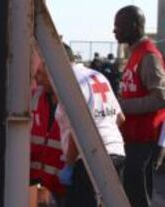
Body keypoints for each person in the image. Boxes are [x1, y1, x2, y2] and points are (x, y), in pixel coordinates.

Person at [56, 44, 126, 207]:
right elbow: (120, 117)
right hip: (116, 152)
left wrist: (70, 164)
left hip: (89, 159)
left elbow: (77, 129)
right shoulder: (97, 76)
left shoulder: (69, 81)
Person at [114, 5, 165, 207]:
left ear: (134, 26)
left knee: (139, 196)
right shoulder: (135, 53)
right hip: (132, 138)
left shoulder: (148, 55)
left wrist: (123, 106)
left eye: (119, 26)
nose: (114, 30)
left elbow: (160, 98)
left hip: (144, 140)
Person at [30, 62, 66, 206]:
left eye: (41, 74)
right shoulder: (35, 96)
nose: (36, 78)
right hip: (36, 178)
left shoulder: (72, 102)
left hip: (62, 182)